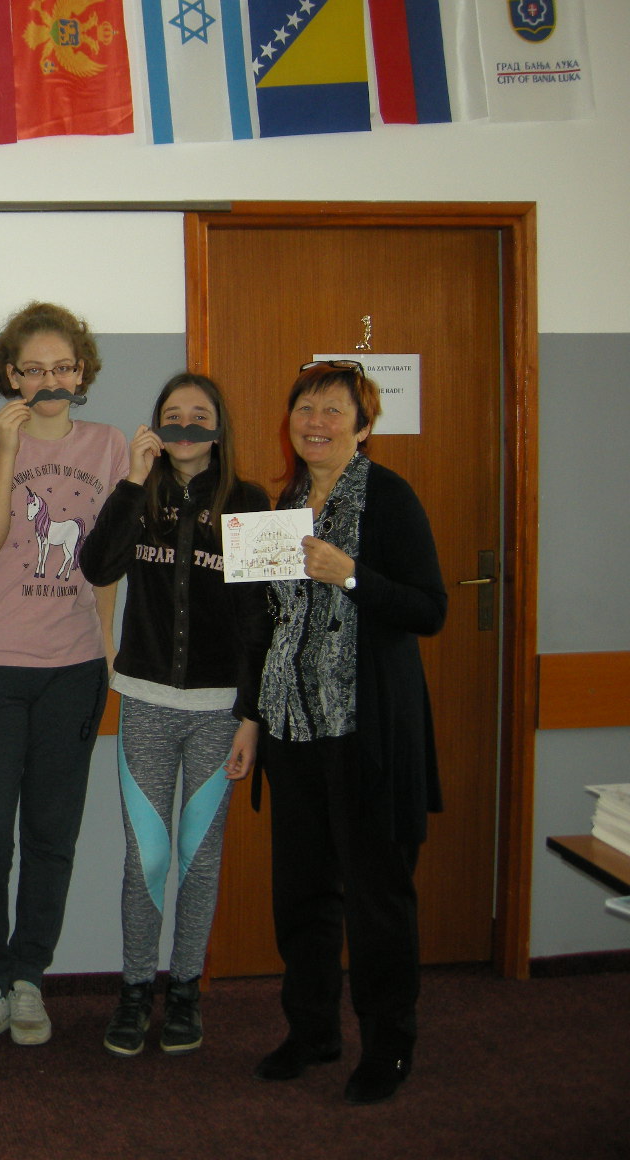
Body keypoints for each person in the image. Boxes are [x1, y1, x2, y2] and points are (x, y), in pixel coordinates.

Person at [249, 360, 445, 1106]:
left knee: (376, 897)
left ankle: (389, 1045)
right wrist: (251, 716)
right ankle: (312, 1032)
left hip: (364, 732)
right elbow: (270, 623)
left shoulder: (389, 497)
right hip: (291, 729)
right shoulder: (286, 502)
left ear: (363, 428)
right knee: (301, 894)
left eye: (334, 410)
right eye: (306, 407)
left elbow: (429, 608)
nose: (317, 422)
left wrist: (351, 574)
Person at [0, 302, 129, 1052]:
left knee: (52, 833)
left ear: (81, 371)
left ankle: (29, 976)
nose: (50, 380)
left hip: (74, 669)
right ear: (11, 375)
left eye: (62, 367)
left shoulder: (111, 445)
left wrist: (108, 649)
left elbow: (108, 562)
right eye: (33, 369)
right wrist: (8, 449)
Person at [79, 373, 270, 1057]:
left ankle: (185, 989)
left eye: (199, 414)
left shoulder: (249, 502)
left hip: (220, 710)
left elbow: (261, 619)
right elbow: (97, 567)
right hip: (147, 703)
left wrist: (252, 717)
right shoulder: (142, 495)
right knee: (148, 856)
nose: (185, 425)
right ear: (157, 425)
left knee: (198, 856)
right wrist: (133, 480)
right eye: (172, 414)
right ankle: (136, 989)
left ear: (218, 427)